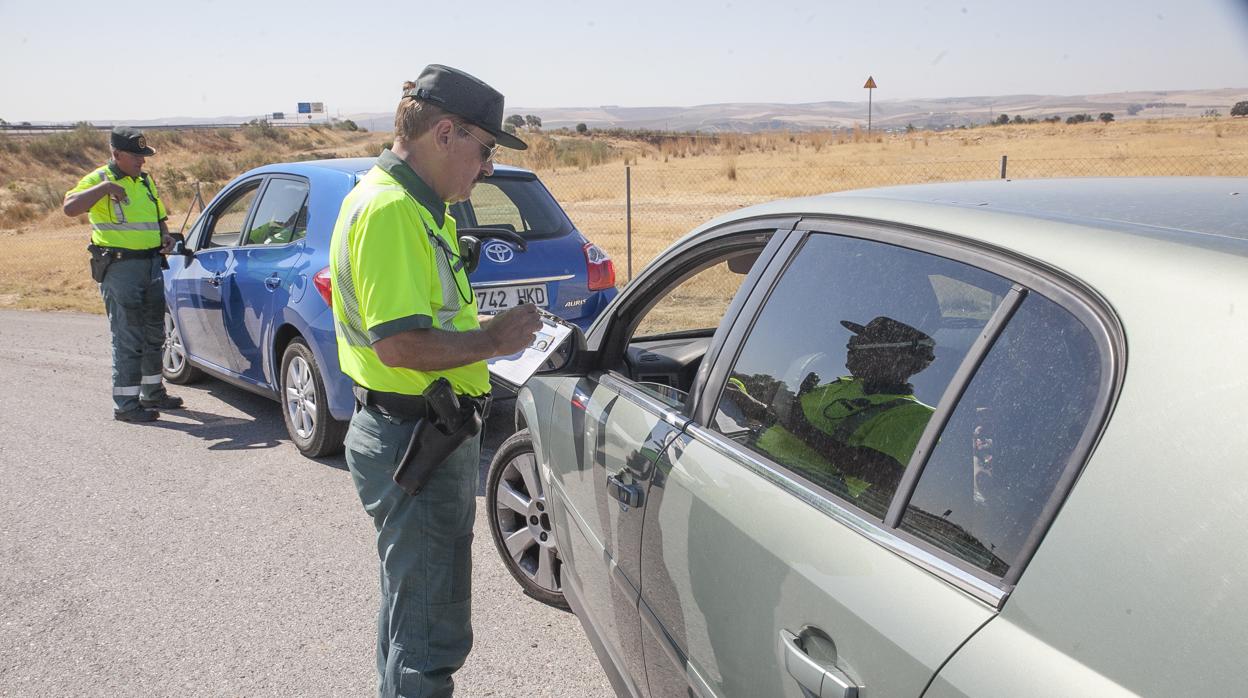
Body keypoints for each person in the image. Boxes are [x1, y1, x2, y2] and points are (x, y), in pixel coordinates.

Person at [328, 65, 542, 697]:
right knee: (430, 631)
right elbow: (398, 343)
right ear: (446, 132)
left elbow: (428, 312)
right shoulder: (393, 210)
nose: (487, 168)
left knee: (410, 610)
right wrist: (493, 342)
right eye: (485, 150)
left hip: (422, 432)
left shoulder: (420, 205)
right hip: (415, 436)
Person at [731, 316, 937, 505]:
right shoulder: (846, 384)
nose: (850, 346)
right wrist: (758, 407)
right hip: (758, 460)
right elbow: (790, 424)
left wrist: (794, 418)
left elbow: (878, 472)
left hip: (800, 493)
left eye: (861, 342)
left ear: (893, 356)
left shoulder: (915, 416)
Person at [63, 126, 182, 422]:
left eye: (144, 156)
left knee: (155, 331)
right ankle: (127, 405)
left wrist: (164, 237)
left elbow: (158, 219)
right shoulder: (98, 180)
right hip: (120, 268)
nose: (142, 161)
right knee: (129, 335)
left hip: (152, 264)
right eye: (136, 156)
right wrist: (103, 190)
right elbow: (69, 208)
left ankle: (152, 393)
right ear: (116, 155)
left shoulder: (144, 181)